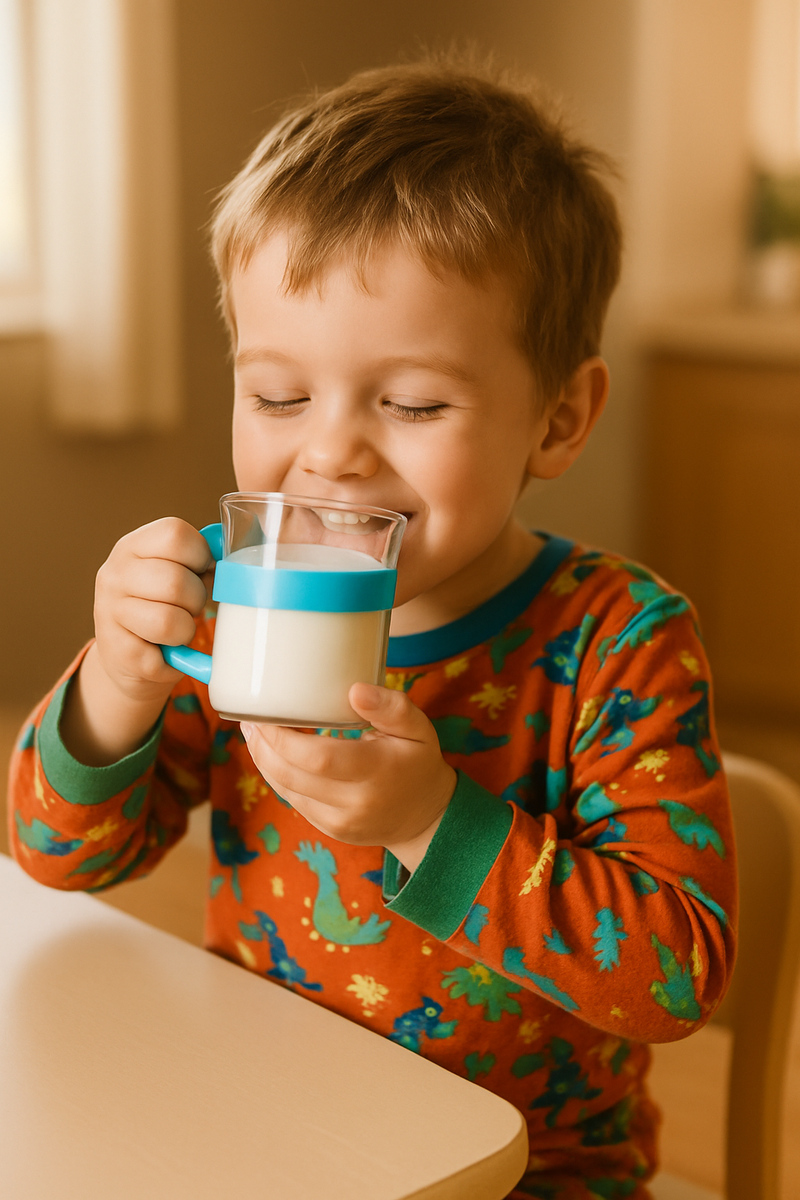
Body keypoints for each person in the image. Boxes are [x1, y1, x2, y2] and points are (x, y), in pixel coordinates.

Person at [8, 56, 736, 1200]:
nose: (330, 453)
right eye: (280, 395)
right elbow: (60, 855)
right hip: (262, 1130)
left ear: (558, 417)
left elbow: (674, 980)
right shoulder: (241, 594)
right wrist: (116, 682)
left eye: (409, 404)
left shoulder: (616, 640)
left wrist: (429, 823)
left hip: (527, 1167)